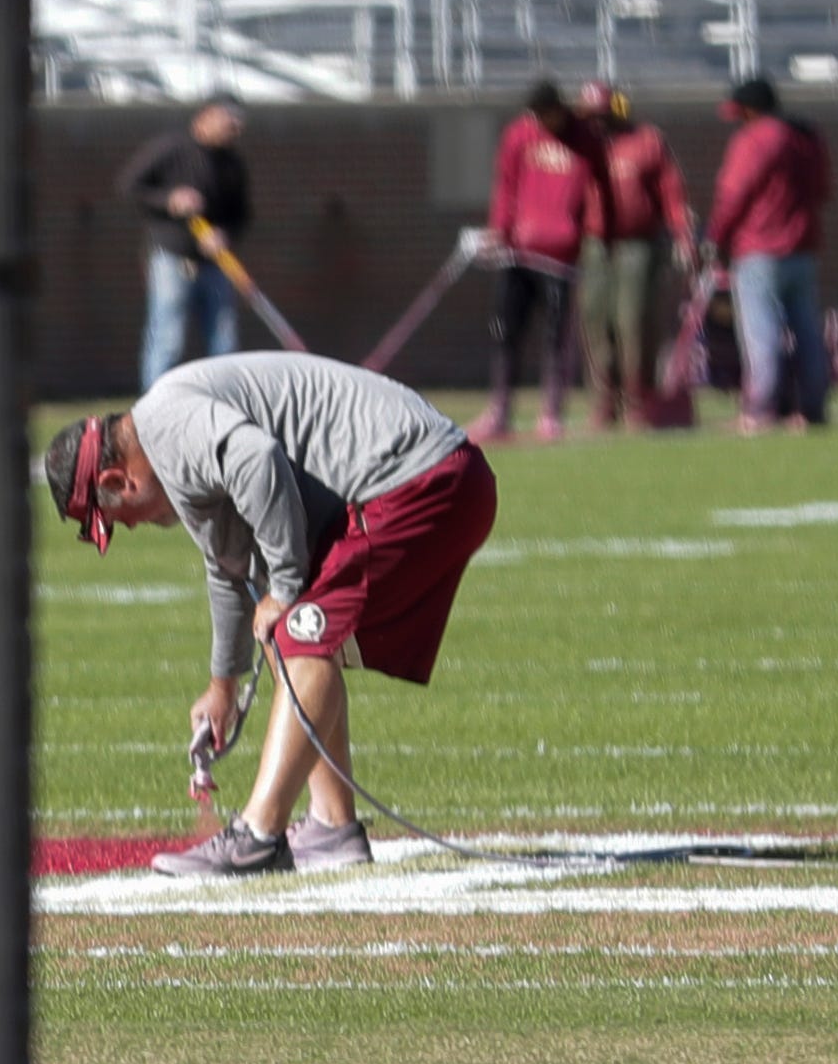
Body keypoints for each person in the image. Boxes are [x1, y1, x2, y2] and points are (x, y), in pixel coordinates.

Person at [35, 352, 499, 878]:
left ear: (120, 482)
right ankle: (332, 826)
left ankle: (258, 835)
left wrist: (284, 586)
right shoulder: (170, 437)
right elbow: (227, 564)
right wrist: (222, 687)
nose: (132, 528)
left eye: (117, 519)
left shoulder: (168, 426)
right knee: (295, 636)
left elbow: (257, 458)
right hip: (430, 477)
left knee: (299, 633)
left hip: (420, 480)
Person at [468, 78, 610, 443]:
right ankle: (500, 410)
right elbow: (506, 186)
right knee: (506, 332)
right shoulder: (518, 135)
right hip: (519, 253)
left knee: (555, 338)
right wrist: (498, 230)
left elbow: (601, 190)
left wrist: (595, 235)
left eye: (549, 116)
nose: (545, 125)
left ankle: (551, 413)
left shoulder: (586, 140)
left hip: (561, 259)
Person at [701, 75, 834, 433]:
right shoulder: (807, 137)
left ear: (750, 110)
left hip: (759, 250)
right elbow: (822, 190)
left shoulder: (755, 138)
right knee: (806, 331)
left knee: (761, 334)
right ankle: (812, 409)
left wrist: (714, 235)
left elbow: (734, 193)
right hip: (803, 249)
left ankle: (760, 410)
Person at [115, 97, 254, 392]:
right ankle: (153, 405)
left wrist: (224, 234)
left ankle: (226, 402)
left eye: (238, 125)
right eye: (229, 122)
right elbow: (129, 186)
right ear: (206, 117)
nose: (235, 130)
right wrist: (170, 200)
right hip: (171, 257)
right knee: (168, 338)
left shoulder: (231, 164)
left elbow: (241, 214)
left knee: (224, 338)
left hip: (214, 262)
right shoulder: (171, 148)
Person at [580, 86, 691, 433]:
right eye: (590, 116)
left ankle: (638, 400)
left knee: (634, 322)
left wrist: (682, 233)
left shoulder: (646, 141)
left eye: (602, 115)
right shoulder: (578, 148)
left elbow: (671, 191)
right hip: (596, 245)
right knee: (596, 323)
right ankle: (603, 401)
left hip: (638, 244)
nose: (597, 123)